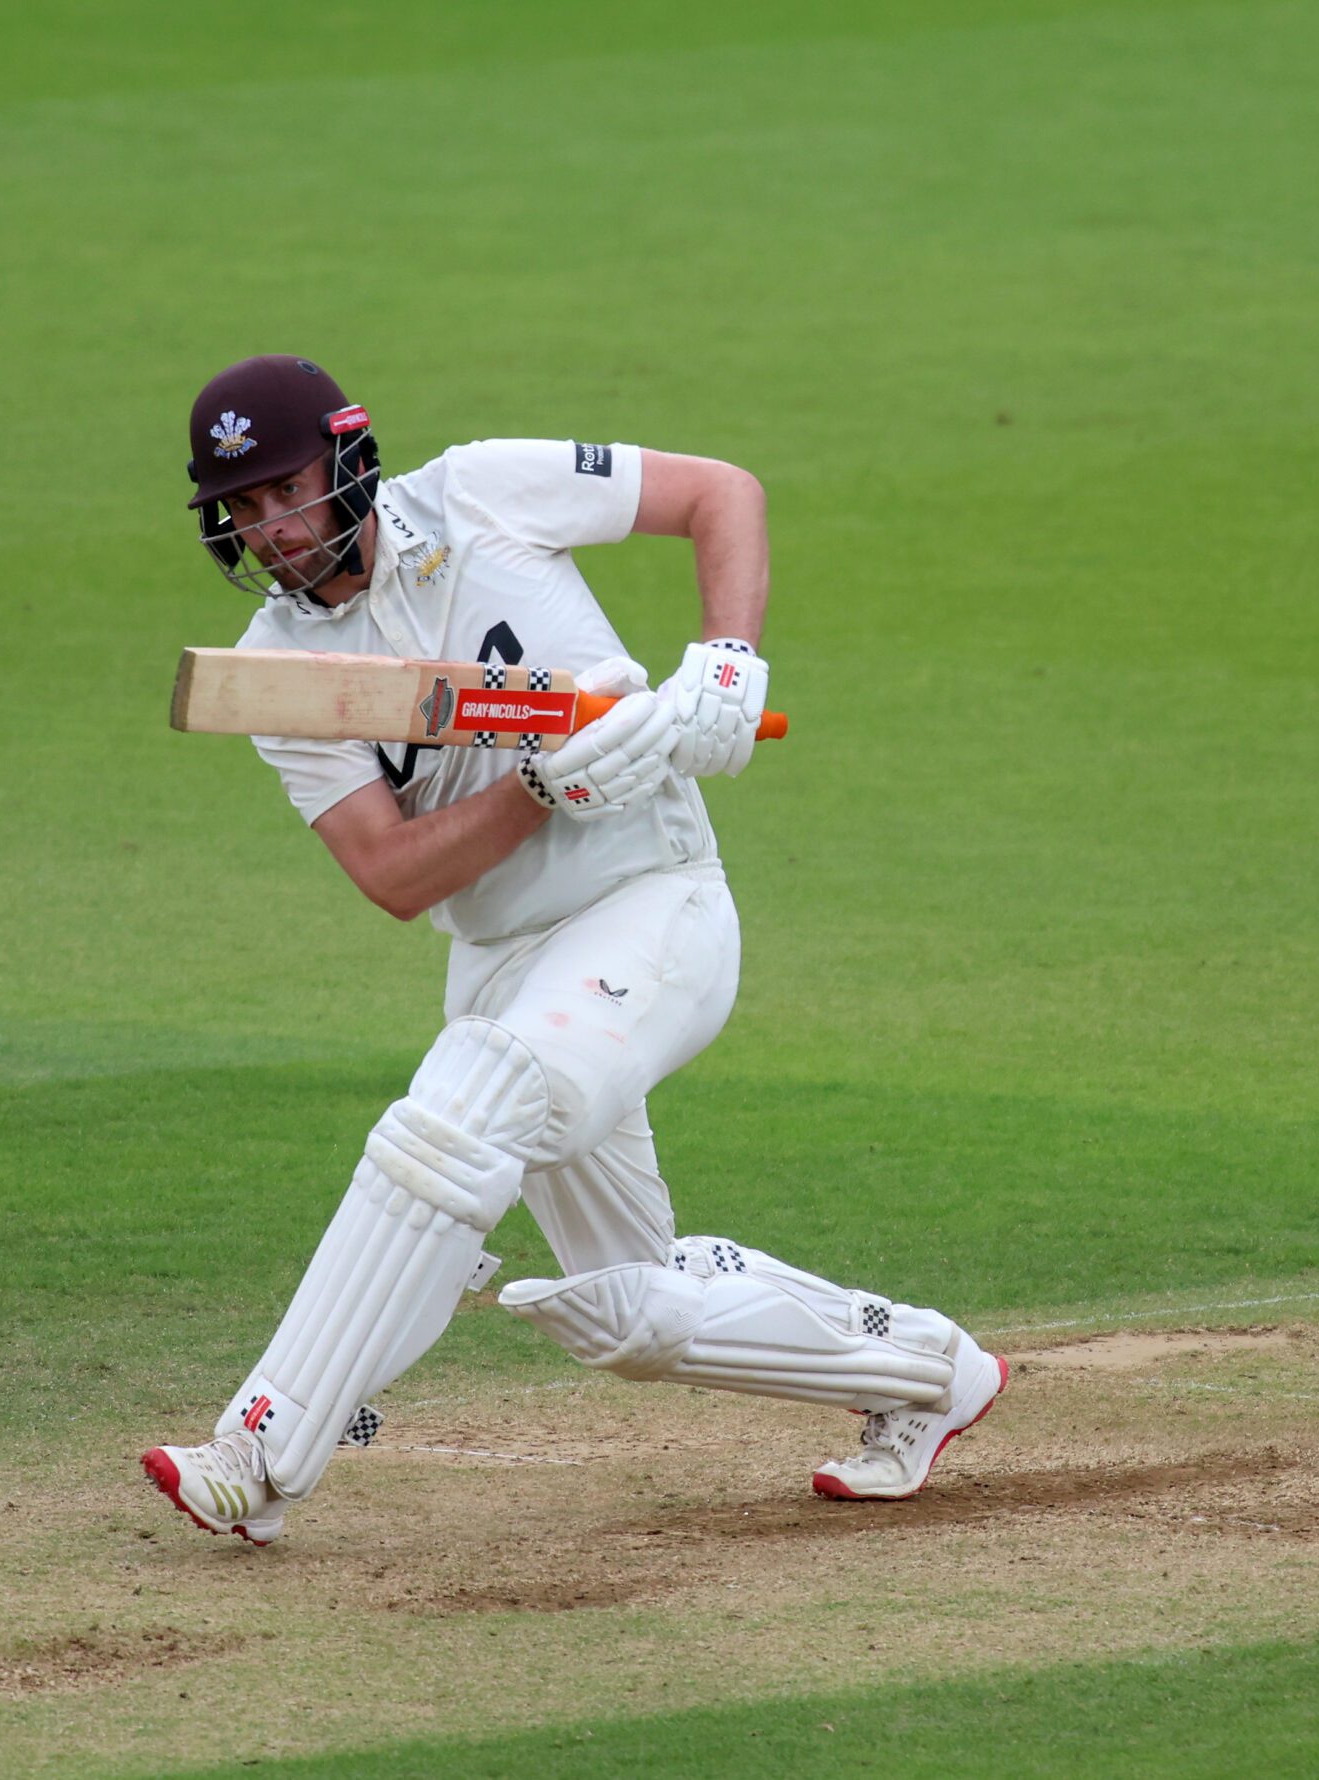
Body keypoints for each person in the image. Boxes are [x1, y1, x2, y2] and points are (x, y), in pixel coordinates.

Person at [140, 354, 1005, 1546]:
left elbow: (720, 492)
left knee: (462, 1104)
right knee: (629, 1310)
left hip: (654, 903)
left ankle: (259, 1452)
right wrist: (539, 788)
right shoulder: (277, 675)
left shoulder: (480, 491)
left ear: (348, 461)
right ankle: (926, 1370)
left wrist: (727, 658)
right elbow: (393, 875)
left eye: (285, 490)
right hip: (509, 964)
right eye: (242, 508)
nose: (271, 527)